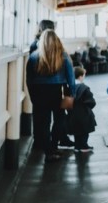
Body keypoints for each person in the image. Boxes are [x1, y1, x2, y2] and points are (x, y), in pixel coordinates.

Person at [26, 29, 76, 163]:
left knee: (44, 122)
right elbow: (71, 79)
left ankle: (48, 151)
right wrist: (72, 94)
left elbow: (29, 79)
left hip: (39, 92)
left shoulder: (33, 57)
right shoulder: (64, 56)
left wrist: (32, 96)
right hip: (57, 91)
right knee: (60, 119)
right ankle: (54, 146)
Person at [68, 66, 97, 154]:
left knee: (76, 131)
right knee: (85, 132)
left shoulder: (69, 87)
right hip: (84, 113)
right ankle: (84, 146)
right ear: (80, 76)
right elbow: (91, 102)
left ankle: (77, 146)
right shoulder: (84, 88)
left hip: (72, 113)